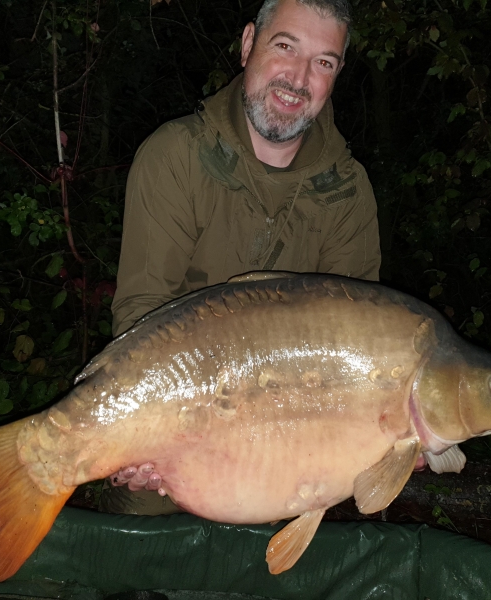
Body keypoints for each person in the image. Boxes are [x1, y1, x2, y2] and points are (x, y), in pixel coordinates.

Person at [103, 0, 380, 515]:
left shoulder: (348, 192)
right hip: (175, 410)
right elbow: (141, 313)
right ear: (248, 43)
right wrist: (141, 431)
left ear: (337, 74)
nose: (298, 78)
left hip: (290, 432)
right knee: (139, 524)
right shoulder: (175, 156)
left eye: (323, 62)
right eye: (285, 47)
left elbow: (356, 347)